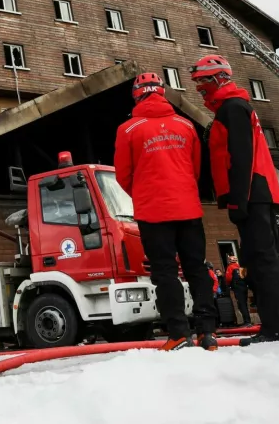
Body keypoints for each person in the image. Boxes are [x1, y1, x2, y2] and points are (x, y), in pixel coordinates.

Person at [190, 54, 279, 345]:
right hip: (259, 191)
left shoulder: (232, 108)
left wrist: (237, 200)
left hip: (251, 192)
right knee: (271, 260)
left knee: (260, 261)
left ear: (218, 78)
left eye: (202, 81)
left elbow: (241, 157)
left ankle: (278, 329)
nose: (198, 88)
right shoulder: (236, 106)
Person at [115, 72, 218, 350]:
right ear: (162, 92)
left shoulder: (127, 129)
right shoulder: (185, 125)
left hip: (153, 213)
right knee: (197, 269)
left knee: (165, 272)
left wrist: (145, 193)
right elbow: (195, 169)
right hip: (188, 208)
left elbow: (123, 175)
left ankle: (178, 334)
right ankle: (207, 333)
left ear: (137, 94)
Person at [225, 256, 251, 325]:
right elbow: (245, 277)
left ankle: (247, 321)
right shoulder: (240, 267)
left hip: (237, 288)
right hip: (244, 287)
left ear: (230, 261)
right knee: (244, 304)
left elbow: (228, 278)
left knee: (241, 304)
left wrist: (229, 286)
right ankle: (247, 320)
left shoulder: (230, 267)